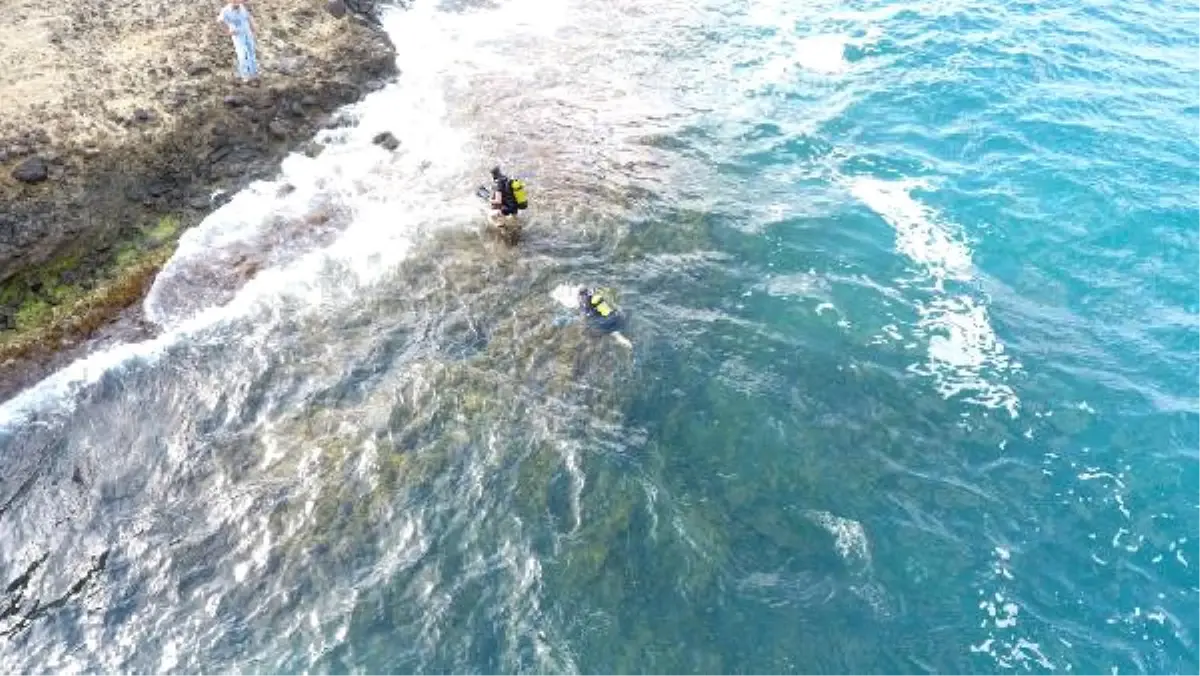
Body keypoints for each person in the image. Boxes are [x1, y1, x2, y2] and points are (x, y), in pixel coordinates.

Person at [217, 0, 260, 85]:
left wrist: (253, 27)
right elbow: (220, 21)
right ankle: (245, 75)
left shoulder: (242, 7)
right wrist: (227, 32)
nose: (236, 2)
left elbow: (248, 17)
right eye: (234, 1)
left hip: (247, 33)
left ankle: (254, 73)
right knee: (242, 54)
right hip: (238, 35)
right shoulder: (225, 10)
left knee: (251, 52)